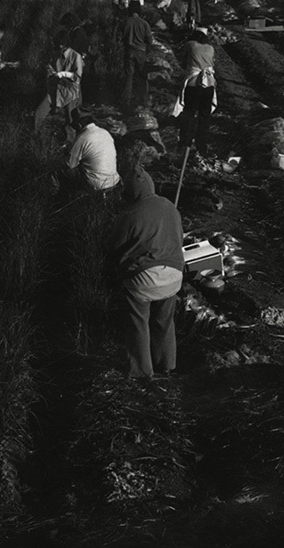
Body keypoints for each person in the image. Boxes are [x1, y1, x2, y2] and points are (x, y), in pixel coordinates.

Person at [107, 167, 184, 379]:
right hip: (175, 275)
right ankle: (166, 364)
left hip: (146, 280)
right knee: (164, 321)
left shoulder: (132, 214)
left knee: (138, 323)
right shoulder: (170, 206)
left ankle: (141, 372)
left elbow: (114, 246)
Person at [173, 28, 217, 159]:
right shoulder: (210, 48)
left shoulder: (190, 45)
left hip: (193, 84)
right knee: (204, 117)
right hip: (208, 85)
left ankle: (185, 143)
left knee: (189, 113)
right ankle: (201, 146)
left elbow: (182, 61)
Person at [34, 31, 84, 134]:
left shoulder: (76, 56)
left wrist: (63, 74)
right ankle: (34, 134)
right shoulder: (57, 53)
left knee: (71, 121)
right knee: (38, 114)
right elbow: (53, 67)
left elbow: (77, 77)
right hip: (56, 89)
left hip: (71, 91)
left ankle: (71, 143)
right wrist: (50, 70)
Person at [63, 112, 121, 192]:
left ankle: (65, 197)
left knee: (64, 170)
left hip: (96, 185)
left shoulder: (82, 137)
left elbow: (70, 165)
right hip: (113, 181)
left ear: (79, 125)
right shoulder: (105, 132)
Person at [121, 0, 153, 109]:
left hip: (128, 51)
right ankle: (143, 100)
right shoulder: (144, 23)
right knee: (142, 77)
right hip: (141, 52)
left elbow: (120, 37)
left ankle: (126, 101)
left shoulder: (125, 22)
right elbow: (150, 40)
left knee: (128, 77)